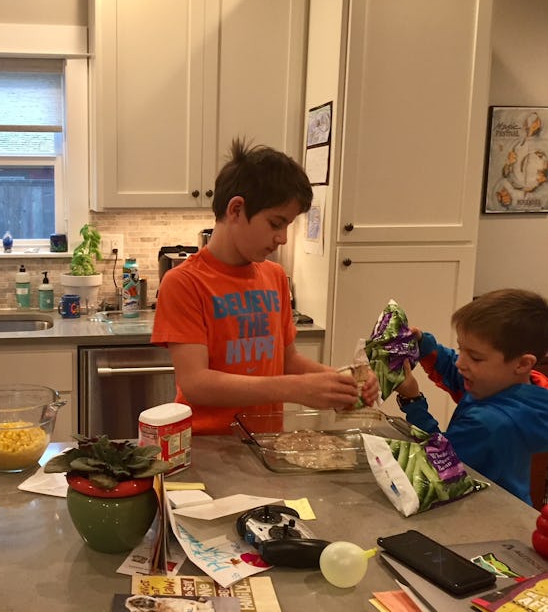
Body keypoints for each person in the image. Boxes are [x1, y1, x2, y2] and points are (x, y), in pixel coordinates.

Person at [151, 138, 379, 434]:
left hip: (265, 443)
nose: (282, 237)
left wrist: (343, 383)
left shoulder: (274, 277)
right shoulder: (184, 282)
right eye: (276, 223)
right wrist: (295, 389)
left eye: (288, 226)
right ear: (235, 210)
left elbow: (288, 361)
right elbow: (196, 384)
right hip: (208, 447)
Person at [395, 288, 548, 505]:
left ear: (522, 364)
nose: (461, 362)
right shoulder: (518, 384)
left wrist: (413, 402)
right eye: (461, 349)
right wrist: (424, 345)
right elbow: (453, 368)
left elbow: (439, 464)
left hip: (487, 516)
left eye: (475, 358)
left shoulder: (489, 424)